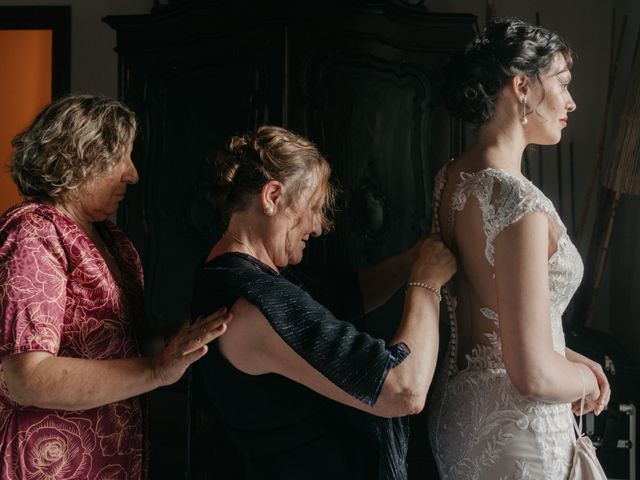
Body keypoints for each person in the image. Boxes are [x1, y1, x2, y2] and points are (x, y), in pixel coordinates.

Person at [190, 125, 456, 480]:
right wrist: (426, 282)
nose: (317, 226)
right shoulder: (259, 305)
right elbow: (403, 389)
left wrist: (408, 263)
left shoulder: (226, 274)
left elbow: (344, 293)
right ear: (272, 197)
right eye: (313, 206)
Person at [0, 93, 231, 480]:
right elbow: (26, 378)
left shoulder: (110, 239)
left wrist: (178, 344)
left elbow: (116, 345)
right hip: (48, 468)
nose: (133, 173)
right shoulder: (35, 233)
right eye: (121, 157)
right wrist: (157, 370)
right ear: (80, 157)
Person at [426, 18, 611, 479]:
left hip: (459, 417)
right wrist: (591, 379)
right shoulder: (518, 202)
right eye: (563, 83)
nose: (571, 102)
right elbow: (531, 373)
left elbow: (496, 316)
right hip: (520, 430)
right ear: (522, 86)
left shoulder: (451, 180)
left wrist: (566, 354)